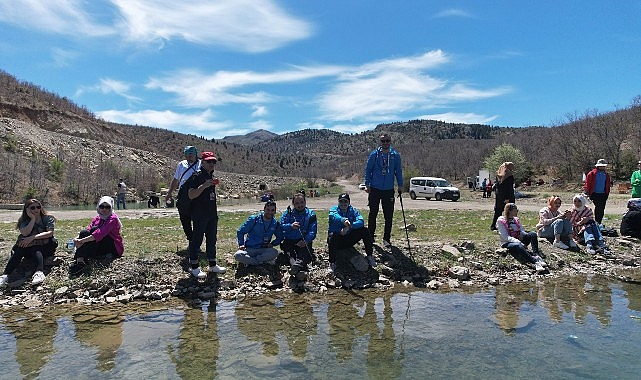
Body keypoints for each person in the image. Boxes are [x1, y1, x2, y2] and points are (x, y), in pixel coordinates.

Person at [184, 151, 226, 279]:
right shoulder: (196, 176)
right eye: (209, 162)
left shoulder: (211, 176)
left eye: (214, 162)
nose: (212, 164)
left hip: (212, 214)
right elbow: (190, 194)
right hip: (199, 214)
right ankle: (194, 267)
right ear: (202, 162)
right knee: (196, 240)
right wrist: (203, 186)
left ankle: (212, 265)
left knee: (212, 239)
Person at [0, 199, 56, 286]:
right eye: (32, 208)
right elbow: (25, 233)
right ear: (27, 209)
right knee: (20, 249)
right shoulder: (23, 220)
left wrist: (32, 237)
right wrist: (33, 219)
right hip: (29, 247)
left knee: (35, 246)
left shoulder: (48, 218)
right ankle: (5, 275)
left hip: (46, 245)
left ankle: (39, 272)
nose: (36, 209)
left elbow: (50, 233)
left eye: (38, 207)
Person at [364, 133, 403, 248]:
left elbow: (398, 171)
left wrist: (400, 185)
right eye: (383, 141)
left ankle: (386, 239)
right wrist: (367, 184)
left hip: (389, 189)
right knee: (373, 214)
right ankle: (370, 238)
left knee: (388, 215)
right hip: (375, 189)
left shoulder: (395, 155)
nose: (385, 143)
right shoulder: (374, 155)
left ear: (390, 141)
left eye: (387, 140)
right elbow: (368, 170)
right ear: (380, 142)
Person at [72, 196, 124, 271]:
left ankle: (84, 258)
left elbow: (99, 233)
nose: (104, 209)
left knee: (94, 229)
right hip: (101, 243)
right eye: (102, 207)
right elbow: (88, 230)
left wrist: (81, 241)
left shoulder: (113, 219)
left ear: (111, 208)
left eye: (107, 207)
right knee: (84, 232)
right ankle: (80, 261)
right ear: (98, 207)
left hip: (113, 246)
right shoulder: (97, 218)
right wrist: (77, 239)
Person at [327, 193, 375, 272]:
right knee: (332, 236)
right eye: (341, 201)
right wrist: (343, 221)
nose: (343, 204)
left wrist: (350, 226)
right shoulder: (333, 209)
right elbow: (335, 217)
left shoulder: (352, 210)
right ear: (338, 202)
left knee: (365, 230)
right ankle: (332, 262)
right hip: (337, 240)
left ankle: (369, 256)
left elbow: (361, 221)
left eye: (345, 201)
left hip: (348, 238)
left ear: (349, 202)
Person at [496, 203, 547, 272]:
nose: (517, 211)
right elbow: (505, 237)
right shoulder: (501, 221)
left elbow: (522, 230)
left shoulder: (516, 219)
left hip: (518, 239)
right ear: (510, 211)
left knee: (532, 234)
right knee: (518, 245)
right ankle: (534, 261)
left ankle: (537, 255)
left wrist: (522, 234)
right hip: (508, 243)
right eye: (515, 210)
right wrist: (518, 241)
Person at [166, 146, 201, 241]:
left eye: (191, 155)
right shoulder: (181, 164)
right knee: (184, 217)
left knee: (198, 218)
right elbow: (175, 179)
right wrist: (169, 193)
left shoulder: (201, 164)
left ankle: (196, 240)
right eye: (187, 155)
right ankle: (190, 238)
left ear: (195, 155)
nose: (189, 157)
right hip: (183, 194)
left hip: (197, 194)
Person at [280, 192, 317, 279]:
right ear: (293, 204)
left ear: (305, 202)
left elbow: (313, 231)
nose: (300, 205)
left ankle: (297, 266)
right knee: (290, 254)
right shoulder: (288, 213)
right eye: (297, 203)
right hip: (289, 240)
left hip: (303, 240)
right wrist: (290, 226)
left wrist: (306, 240)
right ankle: (296, 268)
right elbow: (281, 226)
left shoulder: (311, 214)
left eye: (301, 202)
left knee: (304, 253)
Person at [235, 201, 283, 267]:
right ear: (264, 209)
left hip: (263, 249)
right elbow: (240, 231)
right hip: (250, 249)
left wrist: (273, 244)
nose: (270, 212)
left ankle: (251, 262)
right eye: (268, 210)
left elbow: (280, 236)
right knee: (238, 255)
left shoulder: (275, 223)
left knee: (274, 252)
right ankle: (259, 262)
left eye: (272, 210)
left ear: (275, 211)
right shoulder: (254, 219)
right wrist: (241, 244)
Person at [584, 158, 611, 225]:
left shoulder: (606, 174)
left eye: (603, 166)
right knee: (598, 207)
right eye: (601, 166)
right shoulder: (592, 173)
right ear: (597, 166)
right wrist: (587, 192)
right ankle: (596, 222)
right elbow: (587, 183)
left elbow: (607, 184)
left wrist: (607, 193)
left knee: (601, 208)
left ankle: (599, 222)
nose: (602, 167)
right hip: (594, 194)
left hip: (603, 194)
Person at [491, 162, 515, 230]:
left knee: (498, 211)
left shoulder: (499, 174)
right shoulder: (508, 175)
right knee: (509, 211)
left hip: (499, 196)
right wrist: (507, 198)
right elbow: (508, 187)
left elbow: (497, 186)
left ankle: (494, 226)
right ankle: (509, 226)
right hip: (507, 196)